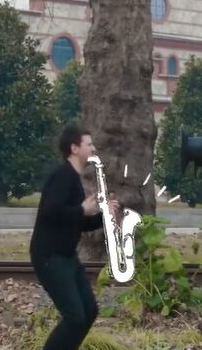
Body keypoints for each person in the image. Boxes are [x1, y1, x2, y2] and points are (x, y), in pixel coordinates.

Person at [29, 125, 120, 350]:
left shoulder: (74, 179)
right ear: (74, 148)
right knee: (75, 316)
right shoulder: (62, 176)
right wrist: (81, 210)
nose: (93, 148)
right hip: (50, 257)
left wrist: (104, 216)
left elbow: (78, 222)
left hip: (68, 257)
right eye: (89, 144)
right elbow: (50, 211)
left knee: (89, 311)